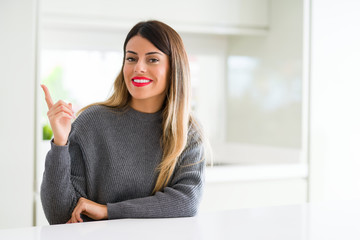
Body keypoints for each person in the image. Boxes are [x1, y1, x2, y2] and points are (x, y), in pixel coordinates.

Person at [40, 20, 208, 225]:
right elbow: (59, 217)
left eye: (152, 59)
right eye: (131, 58)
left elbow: (186, 201)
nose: (138, 68)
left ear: (174, 68)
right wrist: (59, 143)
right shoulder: (91, 122)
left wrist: (108, 211)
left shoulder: (187, 132)